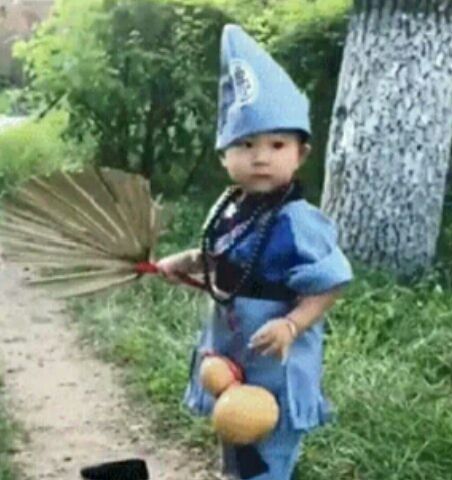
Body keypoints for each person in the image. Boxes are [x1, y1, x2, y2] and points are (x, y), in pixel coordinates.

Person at [156, 24, 353, 480]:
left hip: (275, 354)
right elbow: (221, 253)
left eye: (277, 145)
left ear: (301, 153)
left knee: (268, 436)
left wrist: (292, 323)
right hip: (230, 347)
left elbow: (330, 283)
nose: (261, 157)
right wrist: (187, 261)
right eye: (245, 145)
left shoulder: (298, 220)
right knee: (235, 427)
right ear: (223, 155)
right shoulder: (228, 207)